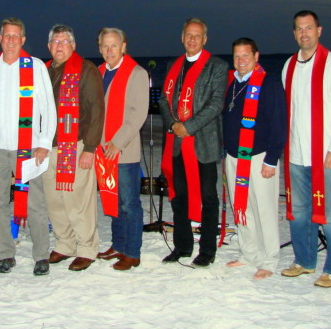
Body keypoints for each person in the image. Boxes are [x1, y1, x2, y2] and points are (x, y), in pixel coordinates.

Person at [281, 10, 331, 288]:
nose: (304, 33)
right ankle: (304, 260)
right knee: (300, 211)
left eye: (309, 28)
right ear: (294, 33)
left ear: (319, 31)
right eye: (299, 29)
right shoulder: (289, 65)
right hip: (297, 152)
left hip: (326, 154)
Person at [0, 18, 56, 275]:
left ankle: (41, 256)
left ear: (23, 40)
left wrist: (44, 143)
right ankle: (6, 254)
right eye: (6, 36)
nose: (11, 40)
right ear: (0, 39)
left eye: (16, 36)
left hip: (28, 147)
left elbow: (48, 108)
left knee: (35, 203)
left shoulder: (35, 66)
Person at [159, 18, 227, 266]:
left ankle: (207, 250)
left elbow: (216, 104)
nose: (192, 39)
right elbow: (164, 100)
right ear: (182, 37)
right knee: (179, 197)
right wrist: (173, 125)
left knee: (208, 198)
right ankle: (183, 246)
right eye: (188, 34)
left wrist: (188, 126)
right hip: (177, 143)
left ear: (205, 39)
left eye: (197, 35)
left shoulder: (217, 66)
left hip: (203, 144)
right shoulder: (173, 65)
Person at [223, 38, 286, 279]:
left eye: (245, 56)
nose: (241, 61)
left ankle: (269, 259)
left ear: (256, 57)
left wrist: (272, 159)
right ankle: (249, 253)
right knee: (242, 207)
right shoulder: (234, 83)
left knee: (265, 210)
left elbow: (279, 123)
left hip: (260, 158)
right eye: (237, 56)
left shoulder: (268, 83)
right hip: (234, 157)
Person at [44, 24, 105, 271]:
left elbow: (96, 110)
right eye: (55, 41)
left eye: (65, 41)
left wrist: (90, 148)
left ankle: (87, 248)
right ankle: (64, 243)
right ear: (49, 46)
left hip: (76, 146)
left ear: (74, 45)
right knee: (55, 201)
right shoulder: (44, 71)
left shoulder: (86, 70)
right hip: (48, 148)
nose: (60, 46)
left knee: (78, 202)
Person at [94, 28, 149, 270]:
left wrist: (117, 142)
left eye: (114, 45)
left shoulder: (137, 73)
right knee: (113, 200)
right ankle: (118, 245)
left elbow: (138, 113)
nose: (109, 50)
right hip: (102, 148)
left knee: (129, 203)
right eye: (105, 46)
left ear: (123, 46)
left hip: (123, 150)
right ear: (99, 49)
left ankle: (132, 252)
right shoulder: (99, 73)